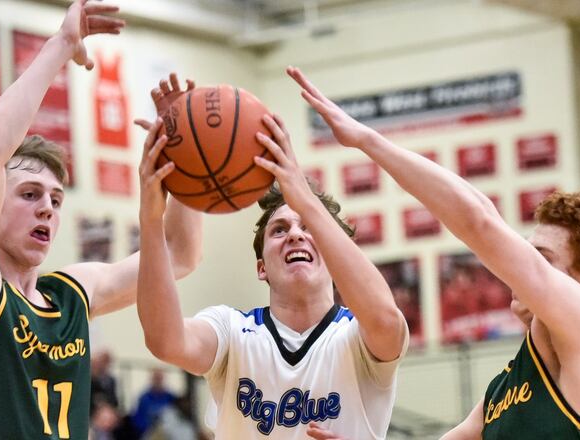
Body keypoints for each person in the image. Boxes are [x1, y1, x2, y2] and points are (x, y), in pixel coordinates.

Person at [287, 66, 580, 440]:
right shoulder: (505, 388)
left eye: (542, 259)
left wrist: (367, 140)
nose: (519, 268)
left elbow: (480, 221)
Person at [0, 2, 202, 439]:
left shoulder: (71, 296)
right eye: (29, 194)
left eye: (56, 198)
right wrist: (62, 44)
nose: (47, 208)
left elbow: (178, 254)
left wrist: (189, 163)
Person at [135, 83, 409, 438]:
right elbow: (165, 341)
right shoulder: (232, 332)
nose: (295, 234)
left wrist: (303, 195)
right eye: (279, 230)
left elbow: (387, 320)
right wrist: (153, 215)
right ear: (261, 267)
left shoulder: (359, 336)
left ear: (334, 255)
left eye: (308, 227)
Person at [130, 369, 176, 437]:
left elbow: (175, 417)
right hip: (148, 432)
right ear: (151, 379)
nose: (158, 381)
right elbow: (138, 417)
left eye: (159, 378)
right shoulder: (144, 398)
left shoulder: (171, 397)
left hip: (168, 433)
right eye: (156, 378)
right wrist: (148, 427)